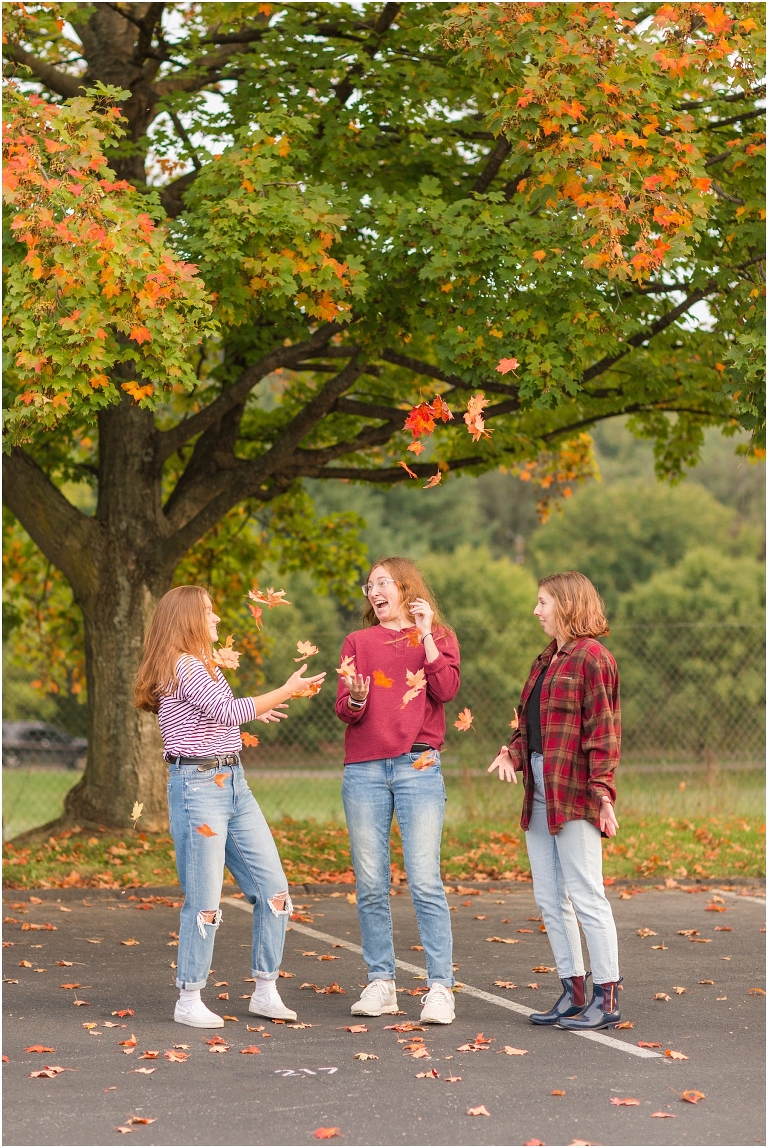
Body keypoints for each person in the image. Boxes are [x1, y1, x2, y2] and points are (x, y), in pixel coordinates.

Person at [134, 585, 325, 1029]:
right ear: (187, 620)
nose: (216, 619)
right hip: (198, 788)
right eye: (208, 612)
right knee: (203, 900)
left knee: (274, 890)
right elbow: (226, 710)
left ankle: (265, 990)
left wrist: (252, 711)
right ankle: (189, 998)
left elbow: (220, 713)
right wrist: (284, 691)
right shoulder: (182, 665)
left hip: (233, 784)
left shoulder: (204, 667)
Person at [488, 571, 622, 1030]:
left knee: (586, 894)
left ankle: (607, 997)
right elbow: (532, 725)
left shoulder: (593, 659)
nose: (536, 611)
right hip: (541, 788)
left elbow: (603, 733)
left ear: (565, 604)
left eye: (542, 602)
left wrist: (602, 792)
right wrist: (512, 751)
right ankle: (574, 990)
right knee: (550, 897)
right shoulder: (545, 659)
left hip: (576, 790)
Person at [335, 558, 461, 1025]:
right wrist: (358, 699)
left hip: (419, 765)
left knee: (424, 880)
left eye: (382, 583)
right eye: (369, 585)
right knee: (370, 882)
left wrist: (426, 634)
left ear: (406, 588)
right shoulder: (357, 642)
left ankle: (440, 988)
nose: (373, 591)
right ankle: (381, 982)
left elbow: (446, 689)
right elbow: (344, 709)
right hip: (365, 769)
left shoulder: (440, 637)